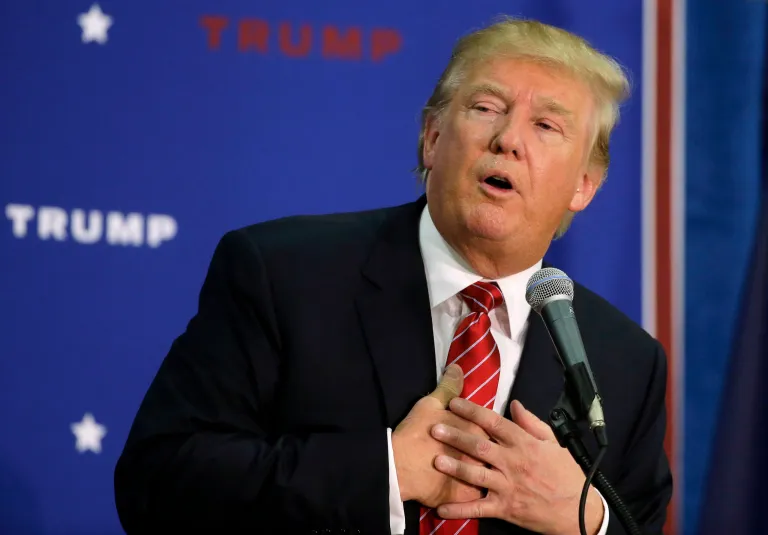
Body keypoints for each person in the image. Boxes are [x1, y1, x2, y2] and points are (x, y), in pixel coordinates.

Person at [113, 16, 672, 535]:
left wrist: (586, 519)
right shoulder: (283, 274)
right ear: (432, 139)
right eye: (485, 108)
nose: (508, 139)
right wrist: (385, 473)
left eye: (547, 124)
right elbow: (157, 484)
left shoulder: (622, 360)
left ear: (583, 186)